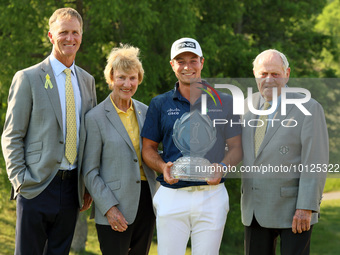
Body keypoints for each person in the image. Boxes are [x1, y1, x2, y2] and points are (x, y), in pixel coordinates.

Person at [1, 8, 96, 255]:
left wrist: (87, 183)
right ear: (51, 36)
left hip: (72, 189)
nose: (70, 38)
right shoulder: (28, 78)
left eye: (75, 32)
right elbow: (11, 135)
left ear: (81, 36)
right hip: (36, 185)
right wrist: (20, 181)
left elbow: (90, 137)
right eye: (63, 32)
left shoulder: (87, 81)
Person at [141, 37, 243, 255]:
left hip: (211, 196)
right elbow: (148, 149)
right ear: (172, 65)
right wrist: (162, 167)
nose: (187, 66)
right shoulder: (159, 103)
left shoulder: (224, 101)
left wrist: (222, 168)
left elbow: (236, 148)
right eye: (180, 61)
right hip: (172, 194)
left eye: (193, 60)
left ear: (202, 62)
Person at [241, 49, 329, 255]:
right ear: (255, 75)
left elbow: (315, 161)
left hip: (294, 211)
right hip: (253, 209)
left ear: (287, 74)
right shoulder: (246, 105)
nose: (269, 79)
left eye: (275, 74)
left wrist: (306, 207)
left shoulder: (309, 107)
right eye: (263, 74)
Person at [82, 44, 159, 255]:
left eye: (133, 78)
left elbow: (152, 153)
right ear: (111, 78)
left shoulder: (146, 111)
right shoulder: (95, 118)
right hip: (115, 205)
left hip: (147, 202)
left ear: (139, 79)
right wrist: (109, 207)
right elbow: (89, 171)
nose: (127, 84)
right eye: (122, 77)